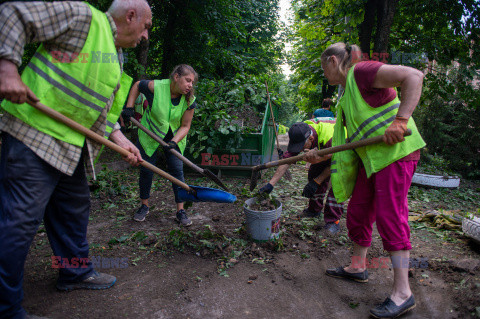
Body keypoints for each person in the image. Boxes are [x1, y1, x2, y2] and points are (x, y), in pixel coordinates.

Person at [0, 1, 152, 318]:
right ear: (131, 15)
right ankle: (6, 308)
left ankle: (75, 271)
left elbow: (98, 115)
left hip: (70, 147)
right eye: (146, 26)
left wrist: (123, 141)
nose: (146, 35)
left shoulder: (114, 56)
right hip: (35, 137)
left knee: (73, 210)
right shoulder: (83, 17)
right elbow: (13, 12)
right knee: (17, 225)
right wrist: (6, 67)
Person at [311, 42, 425, 318]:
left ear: (333, 62)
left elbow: (414, 76)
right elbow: (349, 139)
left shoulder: (362, 71)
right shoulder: (346, 92)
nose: (323, 73)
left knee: (390, 217)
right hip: (372, 159)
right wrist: (318, 154)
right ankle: (358, 267)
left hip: (395, 155)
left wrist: (401, 121)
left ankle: (403, 293)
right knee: (359, 213)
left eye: (323, 66)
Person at [122, 64, 198, 226]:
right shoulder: (156, 87)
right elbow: (137, 85)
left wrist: (173, 142)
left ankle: (180, 210)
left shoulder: (189, 99)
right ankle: (144, 205)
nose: (190, 85)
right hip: (150, 133)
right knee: (146, 169)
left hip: (174, 136)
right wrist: (129, 107)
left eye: (192, 82)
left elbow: (185, 126)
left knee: (177, 172)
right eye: (187, 80)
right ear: (176, 77)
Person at [258, 121, 344, 234]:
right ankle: (314, 211)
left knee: (337, 185)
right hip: (322, 151)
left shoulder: (330, 137)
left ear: (311, 139)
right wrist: (271, 184)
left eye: (301, 146)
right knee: (314, 174)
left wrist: (317, 182)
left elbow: (334, 165)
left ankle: (333, 221)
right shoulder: (301, 131)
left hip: (341, 153)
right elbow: (286, 161)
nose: (298, 149)